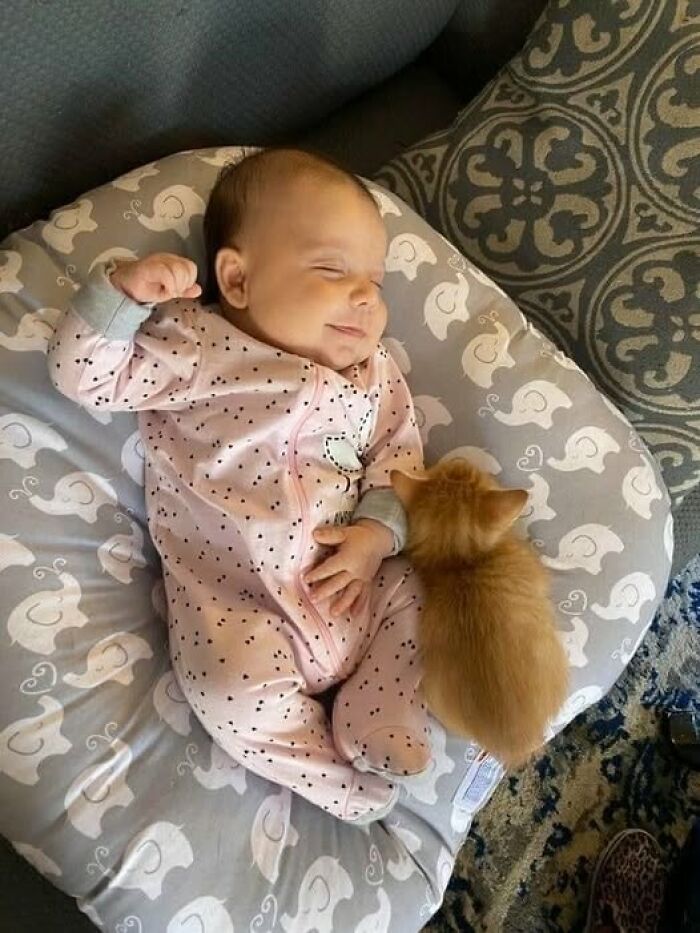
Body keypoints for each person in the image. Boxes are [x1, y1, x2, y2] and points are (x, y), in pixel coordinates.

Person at [47, 148, 432, 823]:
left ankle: (379, 708)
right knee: (226, 689)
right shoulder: (197, 347)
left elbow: (401, 458)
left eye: (375, 280)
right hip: (239, 610)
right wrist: (125, 295)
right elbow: (85, 377)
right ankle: (334, 777)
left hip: (355, 588)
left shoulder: (373, 374)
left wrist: (378, 534)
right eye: (333, 269)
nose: (367, 298)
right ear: (239, 278)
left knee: (421, 588)